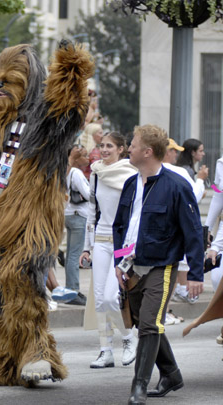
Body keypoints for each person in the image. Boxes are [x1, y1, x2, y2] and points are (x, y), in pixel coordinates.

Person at [113, 124, 204, 404]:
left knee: (151, 325)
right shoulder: (130, 184)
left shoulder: (177, 185)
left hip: (162, 265)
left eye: (133, 144)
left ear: (147, 152)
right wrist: (119, 262)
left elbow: (193, 232)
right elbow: (121, 226)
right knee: (144, 324)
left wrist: (195, 274)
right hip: (132, 266)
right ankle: (171, 374)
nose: (128, 148)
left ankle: (138, 387)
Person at [79, 132, 138, 369]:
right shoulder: (96, 174)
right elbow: (92, 213)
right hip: (101, 241)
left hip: (123, 244)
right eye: (102, 146)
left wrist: (132, 247)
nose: (104, 150)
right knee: (100, 301)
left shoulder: (131, 174)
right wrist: (87, 247)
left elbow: (136, 213)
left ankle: (128, 339)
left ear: (121, 149)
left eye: (110, 146)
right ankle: (105, 351)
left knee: (111, 299)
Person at [161, 139, 207, 310]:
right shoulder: (182, 171)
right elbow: (193, 197)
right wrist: (201, 180)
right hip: (175, 229)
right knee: (175, 265)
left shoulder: (182, 170)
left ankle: (169, 305)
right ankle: (170, 304)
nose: (176, 154)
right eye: (173, 151)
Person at [64, 144, 90, 305]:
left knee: (69, 255)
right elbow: (88, 194)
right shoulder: (76, 173)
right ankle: (72, 290)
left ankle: (70, 289)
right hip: (78, 215)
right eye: (84, 156)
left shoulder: (65, 171)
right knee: (75, 255)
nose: (87, 159)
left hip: (67, 214)